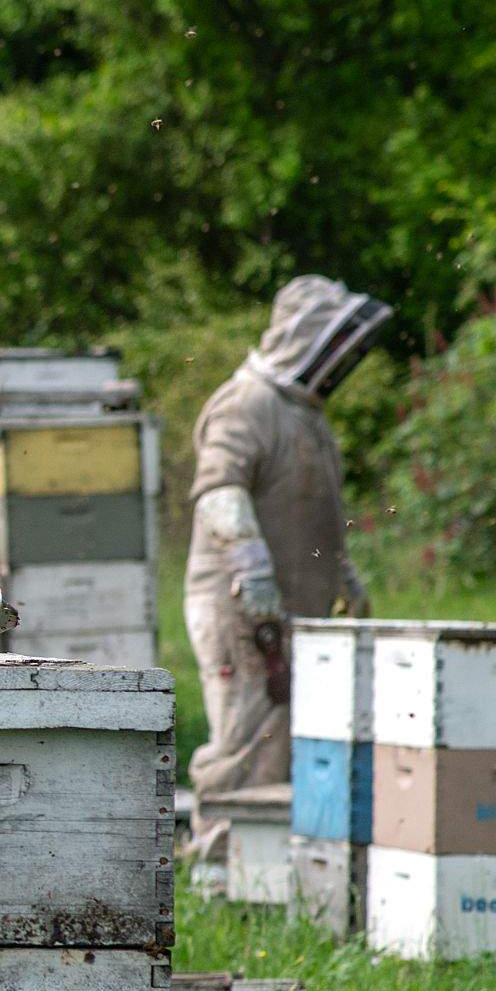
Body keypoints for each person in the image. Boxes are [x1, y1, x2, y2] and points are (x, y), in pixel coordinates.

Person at [183, 276, 390, 861]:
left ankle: (267, 868)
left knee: (282, 739)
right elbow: (218, 490)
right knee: (246, 738)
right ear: (306, 337)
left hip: (294, 609)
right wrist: (253, 571)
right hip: (241, 611)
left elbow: (315, 513)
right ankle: (218, 864)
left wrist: (344, 575)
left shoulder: (305, 414)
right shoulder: (247, 401)